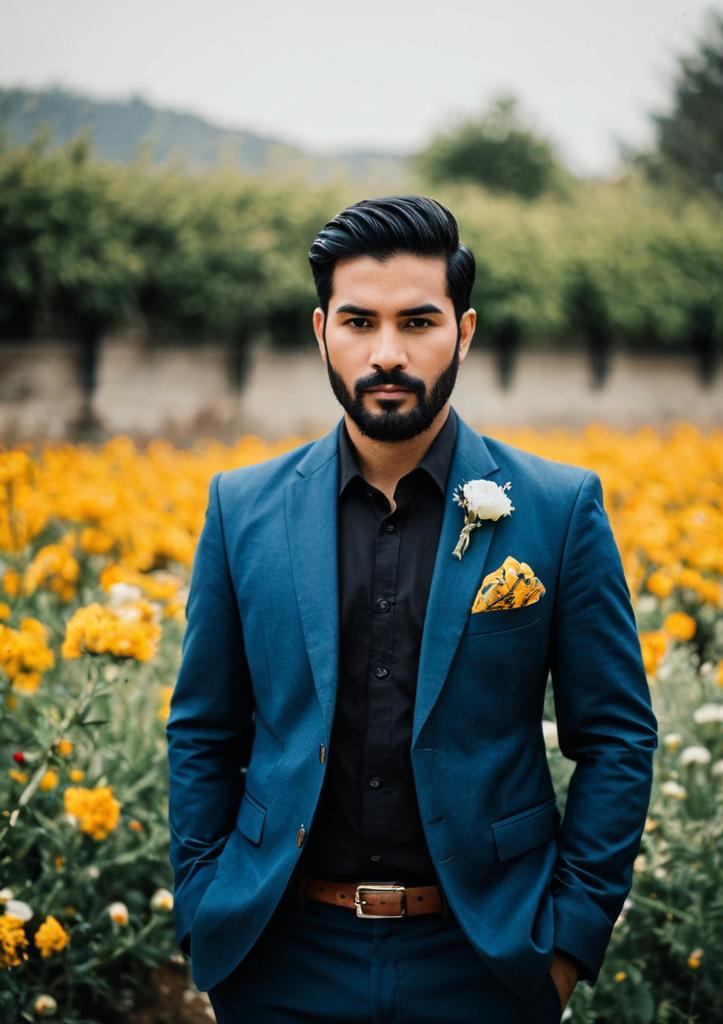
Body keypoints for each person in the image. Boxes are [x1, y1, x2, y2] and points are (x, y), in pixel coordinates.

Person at [166, 195, 658, 1023]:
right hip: (278, 957)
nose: (387, 353)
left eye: (418, 323)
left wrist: (568, 946)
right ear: (321, 330)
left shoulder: (557, 508)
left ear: (462, 333)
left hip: (485, 961)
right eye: (359, 322)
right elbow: (203, 731)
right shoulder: (240, 508)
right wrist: (204, 912)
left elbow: (616, 735)